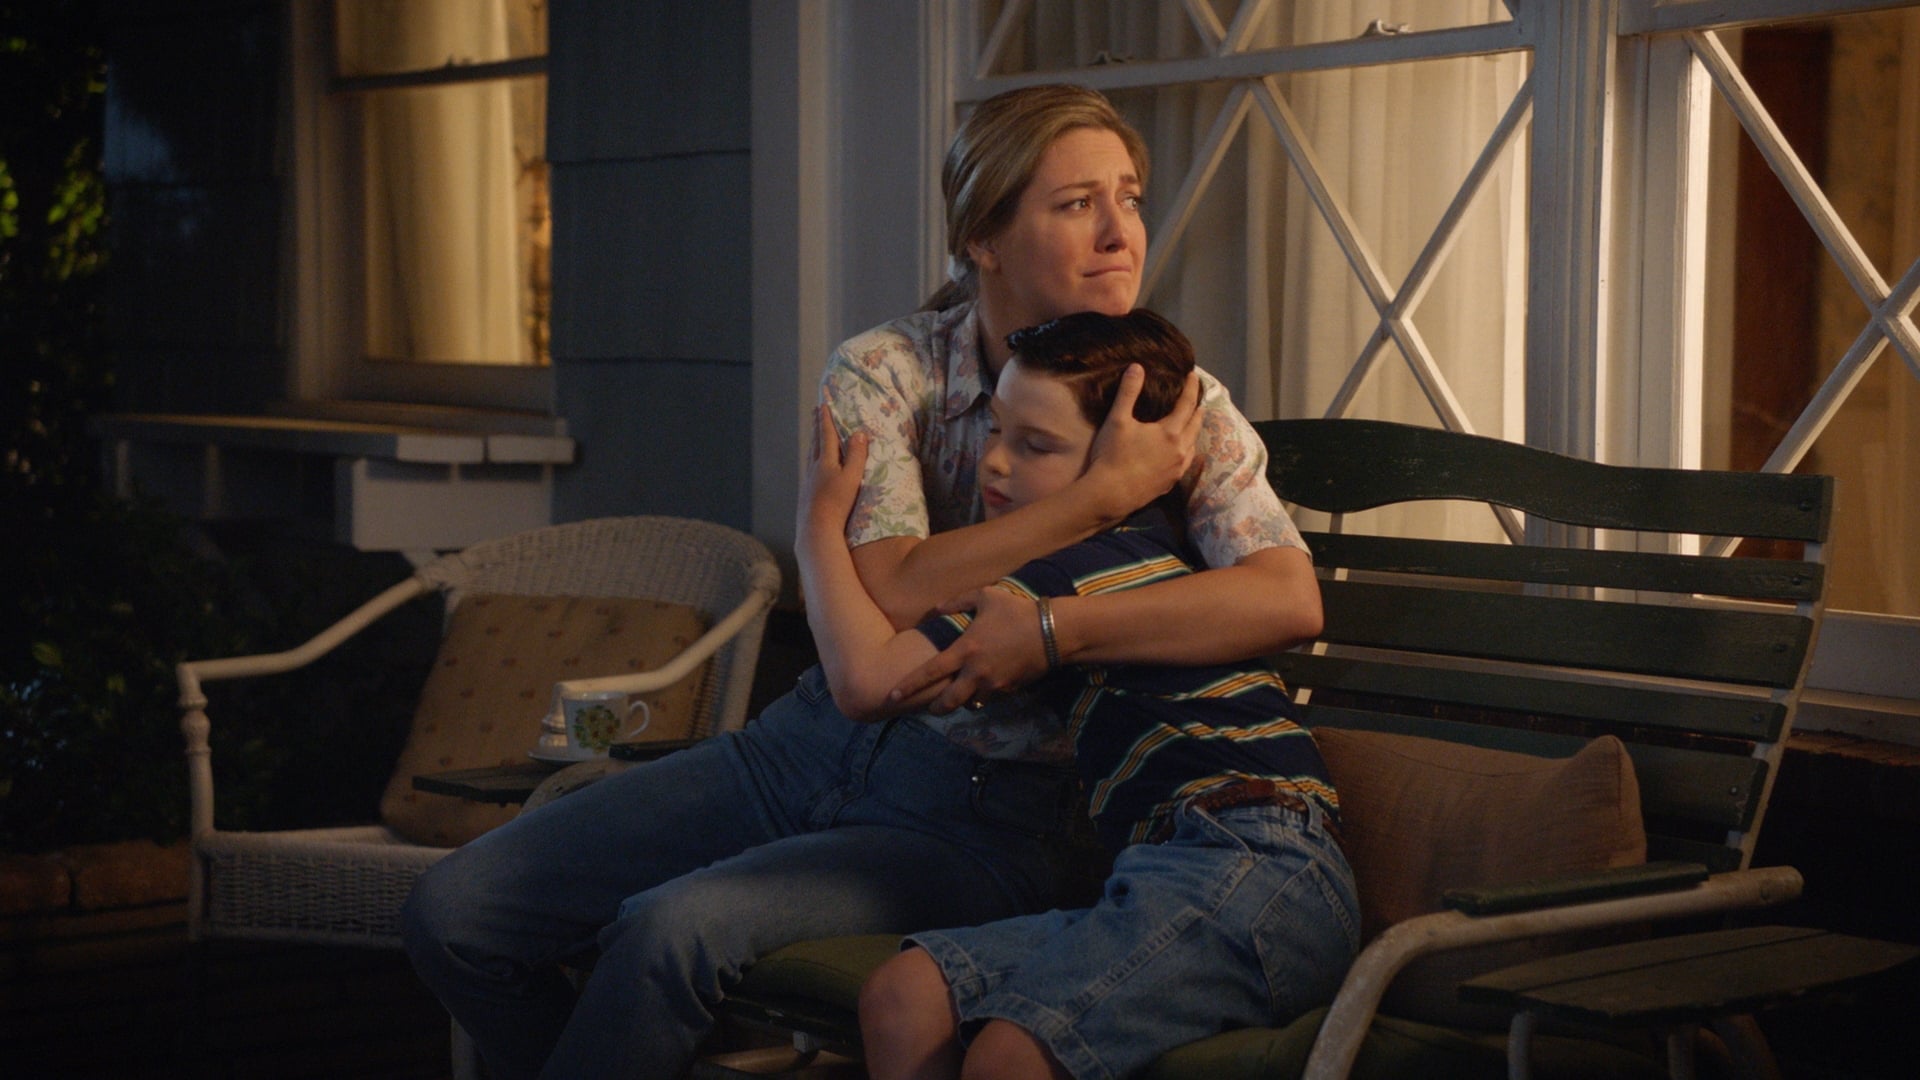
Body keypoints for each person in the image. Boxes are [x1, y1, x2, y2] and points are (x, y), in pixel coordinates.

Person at [400, 83, 1322, 1080]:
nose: (1119, 233)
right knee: (455, 912)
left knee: (669, 933)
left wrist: (1045, 624)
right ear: (982, 238)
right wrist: (1098, 498)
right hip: (801, 748)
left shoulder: (1178, 407)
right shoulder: (888, 371)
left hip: (986, 813)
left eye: (1130, 198)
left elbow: (1285, 596)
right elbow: (891, 596)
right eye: (1075, 203)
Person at [798, 310, 1357, 1080]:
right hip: (1157, 874)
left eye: (1035, 446)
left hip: (1262, 865)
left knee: (1011, 1055)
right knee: (904, 998)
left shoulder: (1077, 570)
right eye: (997, 431)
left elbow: (867, 682)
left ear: (1120, 459)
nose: (995, 463)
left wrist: (816, 531)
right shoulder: (1074, 570)